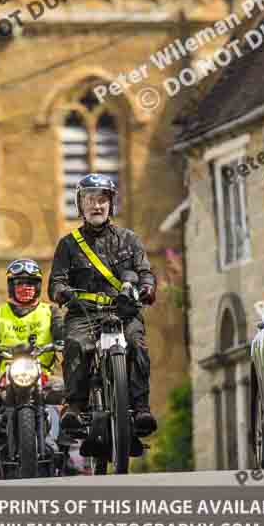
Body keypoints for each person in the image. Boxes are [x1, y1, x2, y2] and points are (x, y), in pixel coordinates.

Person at [49, 173, 157, 436]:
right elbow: (56, 282)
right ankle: (74, 407)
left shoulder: (129, 239)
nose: (97, 206)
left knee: (137, 344)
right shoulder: (68, 245)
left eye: (103, 200)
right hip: (83, 314)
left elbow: (145, 272)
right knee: (74, 345)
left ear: (110, 205)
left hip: (124, 312)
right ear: (81, 205)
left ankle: (141, 408)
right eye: (90, 200)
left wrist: (146, 287)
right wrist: (63, 292)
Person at [0, 258, 63, 480]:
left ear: (38, 287)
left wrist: (66, 339)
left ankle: (66, 449)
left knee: (76, 392)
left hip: (44, 377)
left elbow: (62, 330)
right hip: (5, 379)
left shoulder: (51, 312)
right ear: (12, 287)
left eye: (30, 284)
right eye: (20, 283)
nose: (25, 288)